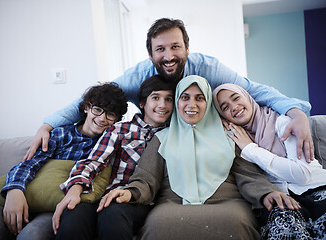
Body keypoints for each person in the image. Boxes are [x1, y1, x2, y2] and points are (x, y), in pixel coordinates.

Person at [24, 18, 314, 164]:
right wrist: (49, 124)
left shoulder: (208, 69)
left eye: (175, 47)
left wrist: (296, 111)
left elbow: (253, 90)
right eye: (160, 49)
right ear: (150, 55)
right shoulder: (137, 76)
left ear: (187, 48)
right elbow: (98, 98)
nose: (168, 55)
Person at [98, 75, 300, 239]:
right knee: (158, 224)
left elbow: (249, 175)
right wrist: (130, 192)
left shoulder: (230, 134)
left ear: (208, 102)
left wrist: (267, 193)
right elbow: (146, 179)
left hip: (228, 204)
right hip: (172, 205)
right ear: (177, 102)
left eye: (199, 98)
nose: (191, 104)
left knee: (236, 223)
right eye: (185, 97)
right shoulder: (161, 138)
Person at [0, 83, 128, 240]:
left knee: (33, 234)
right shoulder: (61, 134)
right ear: (86, 108)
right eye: (97, 110)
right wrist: (15, 190)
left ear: (117, 119)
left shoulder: (110, 145)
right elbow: (29, 163)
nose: (102, 118)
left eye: (110, 114)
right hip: (26, 195)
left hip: (55, 207)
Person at [51, 75, 175, 240]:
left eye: (168, 99)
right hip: (105, 194)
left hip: (137, 200)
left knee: (114, 212)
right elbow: (95, 161)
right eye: (155, 98)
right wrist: (75, 189)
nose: (162, 105)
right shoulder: (121, 130)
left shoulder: (174, 135)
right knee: (74, 214)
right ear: (142, 103)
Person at [213, 83, 326, 239]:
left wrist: (251, 149)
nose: (233, 107)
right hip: (284, 200)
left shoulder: (282, 122)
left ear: (248, 97)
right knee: (283, 227)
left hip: (317, 188)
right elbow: (248, 177)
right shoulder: (237, 139)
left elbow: (303, 175)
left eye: (236, 98)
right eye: (225, 107)